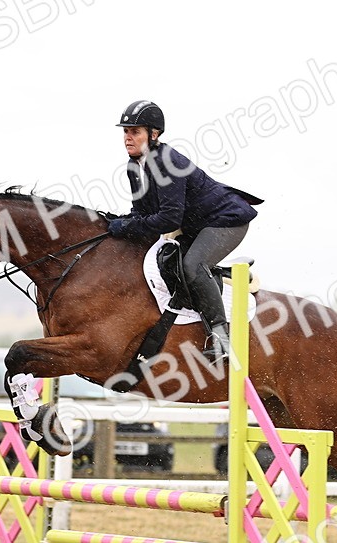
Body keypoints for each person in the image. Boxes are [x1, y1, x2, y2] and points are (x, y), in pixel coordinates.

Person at [106, 100, 261, 365]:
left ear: (153, 134)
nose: (128, 137)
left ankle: (221, 338)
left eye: (135, 132)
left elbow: (168, 219)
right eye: (125, 131)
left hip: (226, 220)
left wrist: (128, 226)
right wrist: (116, 224)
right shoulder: (134, 166)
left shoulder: (166, 162)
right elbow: (141, 213)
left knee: (192, 265)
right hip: (198, 224)